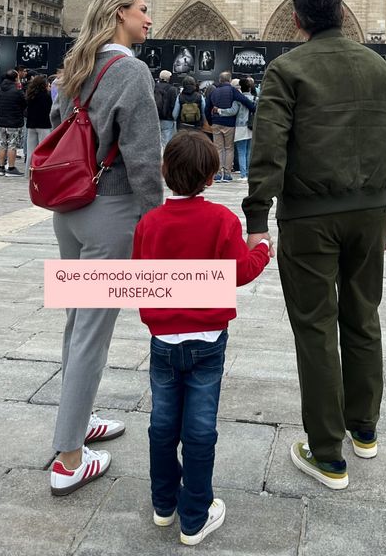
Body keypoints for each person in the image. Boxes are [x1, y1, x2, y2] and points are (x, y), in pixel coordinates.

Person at [242, 0, 386, 491]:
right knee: (363, 317)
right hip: (369, 213)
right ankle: (364, 430)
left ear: (297, 20)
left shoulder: (287, 70)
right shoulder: (383, 69)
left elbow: (268, 150)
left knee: (316, 327)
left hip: (309, 218)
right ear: (342, 13)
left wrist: (256, 220)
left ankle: (326, 454)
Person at [49, 0, 163, 497]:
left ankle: (83, 416)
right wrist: (157, 221)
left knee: (77, 323)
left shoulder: (78, 64)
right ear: (120, 13)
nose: (149, 20)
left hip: (68, 210)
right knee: (93, 332)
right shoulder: (131, 71)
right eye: (143, 11)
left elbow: (58, 126)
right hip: (109, 210)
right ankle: (69, 458)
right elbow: (142, 156)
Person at [132, 132, 272, 544]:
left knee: (162, 423)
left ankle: (163, 504)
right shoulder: (222, 221)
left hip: (163, 341)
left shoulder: (150, 223)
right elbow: (240, 272)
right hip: (209, 340)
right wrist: (262, 249)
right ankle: (195, 514)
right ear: (212, 178)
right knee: (199, 427)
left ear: (163, 172)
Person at [205, 72, 255, 183]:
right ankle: (227, 174)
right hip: (229, 124)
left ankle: (218, 174)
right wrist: (253, 109)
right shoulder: (232, 91)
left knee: (218, 148)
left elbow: (207, 108)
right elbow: (245, 100)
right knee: (229, 148)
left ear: (220, 80)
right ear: (229, 79)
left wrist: (210, 121)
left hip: (216, 122)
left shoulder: (213, 91)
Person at [0, 69, 26, 176]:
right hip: (14, 121)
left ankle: (1, 167)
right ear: (15, 78)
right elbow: (24, 102)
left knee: (1, 144)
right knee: (12, 145)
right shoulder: (17, 89)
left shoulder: (0, 89)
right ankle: (11, 168)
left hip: (1, 121)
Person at [25, 74, 52, 169]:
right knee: (44, 150)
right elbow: (50, 110)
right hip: (44, 125)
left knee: (30, 151)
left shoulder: (30, 95)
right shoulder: (47, 97)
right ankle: (42, 170)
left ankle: (28, 172)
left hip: (31, 125)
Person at [154, 70, 177, 148]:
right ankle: (164, 159)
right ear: (169, 78)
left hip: (155, 118)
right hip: (167, 120)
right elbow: (173, 105)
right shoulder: (172, 89)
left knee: (156, 143)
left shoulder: (153, 87)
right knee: (166, 144)